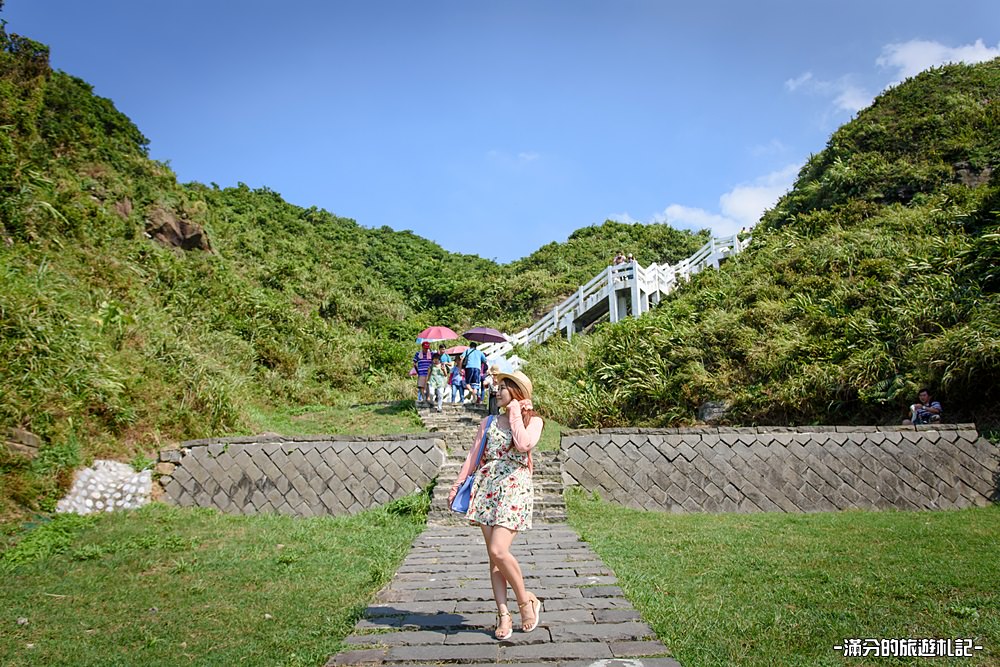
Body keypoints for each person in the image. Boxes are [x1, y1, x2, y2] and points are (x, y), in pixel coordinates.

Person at [447, 371, 544, 641]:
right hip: (487, 487)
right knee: (494, 558)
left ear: (516, 391)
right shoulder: (488, 422)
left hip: (515, 486)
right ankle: (503, 613)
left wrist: (514, 412)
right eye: (497, 387)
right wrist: (457, 485)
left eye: (504, 388)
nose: (498, 391)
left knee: (498, 549)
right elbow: (473, 455)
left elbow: (524, 444)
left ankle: (526, 602)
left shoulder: (533, 421)